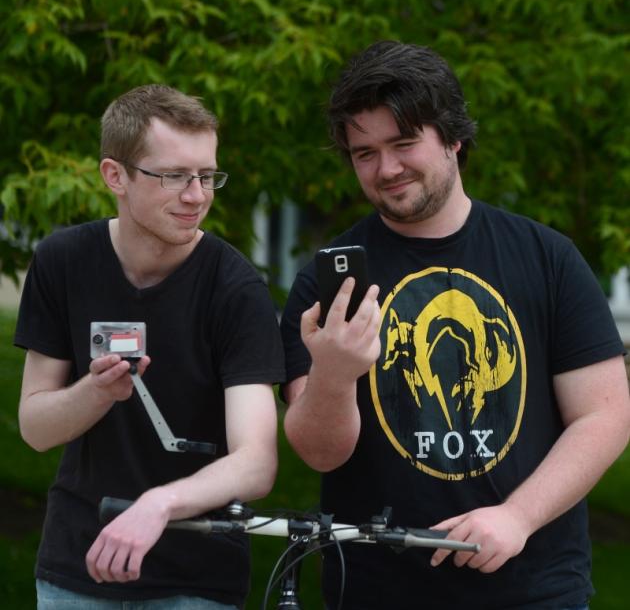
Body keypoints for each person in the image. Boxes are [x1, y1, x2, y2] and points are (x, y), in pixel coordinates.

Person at [280, 41, 630, 609]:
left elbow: (606, 414)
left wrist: (517, 516)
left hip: (535, 590)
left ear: (453, 137)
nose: (386, 169)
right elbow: (320, 455)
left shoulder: (547, 258)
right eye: (364, 152)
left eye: (403, 143)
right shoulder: (329, 284)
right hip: (379, 592)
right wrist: (336, 374)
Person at [15, 84, 285, 609]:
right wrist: (94, 393)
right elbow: (35, 430)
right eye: (174, 176)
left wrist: (159, 504)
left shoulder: (236, 289)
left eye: (207, 176)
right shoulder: (62, 262)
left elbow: (256, 463)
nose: (196, 195)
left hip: (196, 579)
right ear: (115, 176)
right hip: (76, 568)